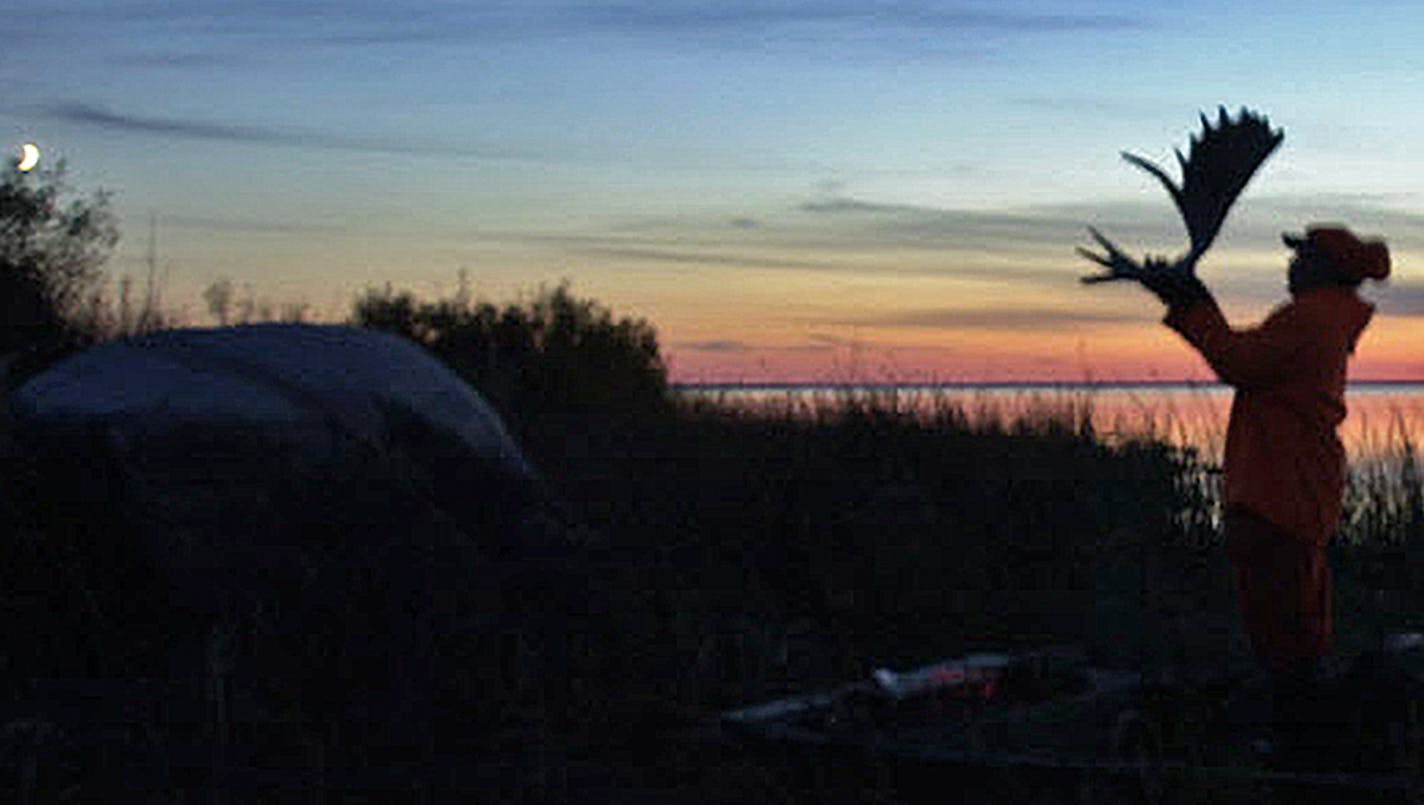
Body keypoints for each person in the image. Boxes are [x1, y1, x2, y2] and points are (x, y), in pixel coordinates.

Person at [1114, 224, 1390, 768]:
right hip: (1298, 489)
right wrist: (1190, 300)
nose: (1290, 266)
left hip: (1274, 492)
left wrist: (1192, 302)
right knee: (1299, 625)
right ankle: (1307, 739)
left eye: (1300, 256)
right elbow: (1251, 359)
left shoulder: (1307, 318)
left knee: (1280, 628)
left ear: (1325, 268)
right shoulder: (1323, 318)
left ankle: (1298, 752)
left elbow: (1239, 363)